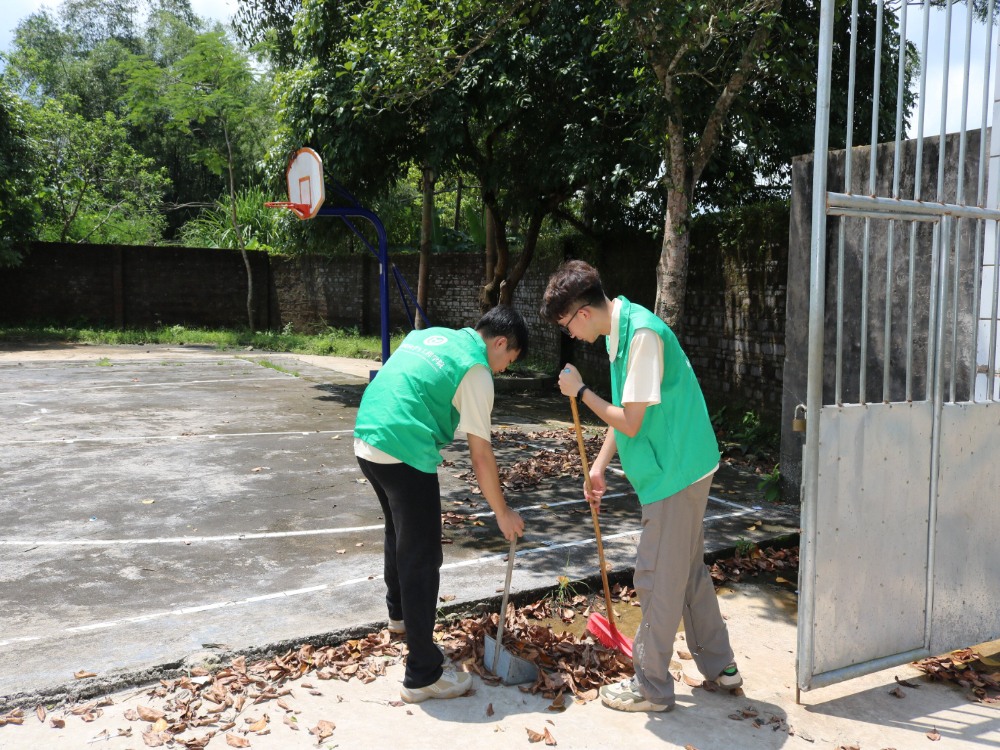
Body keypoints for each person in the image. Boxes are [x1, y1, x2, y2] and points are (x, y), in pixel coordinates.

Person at [540, 260, 742, 713]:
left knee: (656, 578)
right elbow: (632, 409)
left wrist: (581, 392)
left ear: (583, 312)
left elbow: (629, 421)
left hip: (675, 473)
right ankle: (721, 665)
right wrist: (599, 465)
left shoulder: (642, 336)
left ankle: (651, 687)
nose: (570, 334)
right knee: (686, 571)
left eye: (567, 324)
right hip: (676, 467)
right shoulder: (621, 330)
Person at [353, 305, 528, 704]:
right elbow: (481, 455)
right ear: (499, 343)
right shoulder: (477, 370)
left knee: (398, 532)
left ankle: (399, 617)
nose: (503, 369)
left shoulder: (431, 335)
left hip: (367, 438)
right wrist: (503, 512)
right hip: (403, 448)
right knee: (422, 557)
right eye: (509, 360)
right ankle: (422, 675)